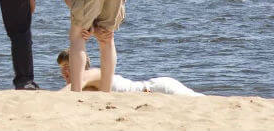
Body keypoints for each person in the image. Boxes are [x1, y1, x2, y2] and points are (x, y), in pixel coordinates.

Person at [56, 50, 202, 96]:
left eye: (69, 65)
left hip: (157, 88)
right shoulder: (85, 87)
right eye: (62, 67)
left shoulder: (92, 73)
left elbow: (67, 93)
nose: (65, 71)